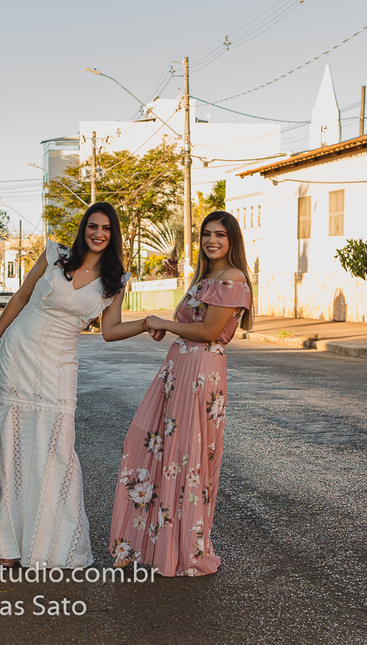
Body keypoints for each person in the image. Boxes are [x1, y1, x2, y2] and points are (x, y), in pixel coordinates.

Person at [0, 202, 147, 569]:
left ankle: (46, 546)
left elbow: (109, 330)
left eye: (106, 228)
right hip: (18, 356)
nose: (98, 233)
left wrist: (145, 324)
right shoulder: (55, 257)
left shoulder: (115, 281)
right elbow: (19, 298)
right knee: (10, 448)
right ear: (83, 229)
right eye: (92, 226)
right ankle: (6, 545)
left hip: (60, 368)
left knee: (55, 451)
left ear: (114, 234)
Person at [109, 210, 254, 577]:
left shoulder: (233, 280)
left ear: (232, 240)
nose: (212, 241)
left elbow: (207, 331)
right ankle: (143, 544)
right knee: (151, 446)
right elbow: (189, 326)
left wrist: (162, 323)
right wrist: (166, 326)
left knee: (186, 459)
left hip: (200, 373)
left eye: (220, 235)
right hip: (178, 372)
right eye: (207, 234)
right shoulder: (205, 278)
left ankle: (182, 549)